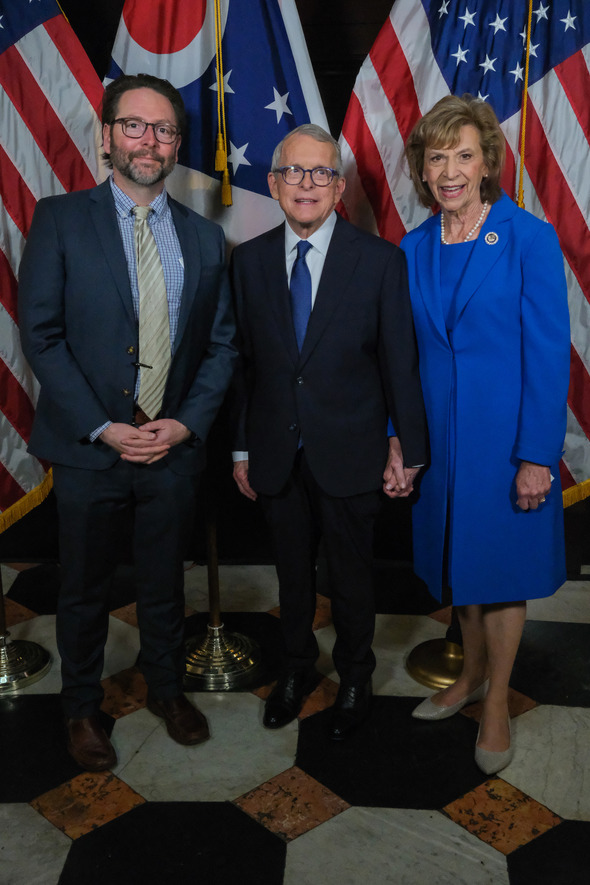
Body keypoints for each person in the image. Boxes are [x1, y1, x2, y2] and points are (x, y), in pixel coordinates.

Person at [18, 74, 237, 771]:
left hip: (170, 447)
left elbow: (223, 344)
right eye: (135, 126)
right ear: (106, 136)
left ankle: (166, 689)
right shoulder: (59, 219)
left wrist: (185, 424)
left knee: (164, 578)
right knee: (83, 585)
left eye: (164, 129)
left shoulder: (205, 239)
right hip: (91, 449)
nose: (150, 141)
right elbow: (42, 335)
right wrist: (104, 427)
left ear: (177, 143)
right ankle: (81, 705)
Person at [230, 123, 428, 740]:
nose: (306, 184)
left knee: (350, 576)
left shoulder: (379, 261)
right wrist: (240, 446)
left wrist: (410, 448)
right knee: (291, 575)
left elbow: (400, 362)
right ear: (274, 182)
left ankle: (355, 675)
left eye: (320, 173)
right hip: (274, 451)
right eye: (294, 172)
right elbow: (243, 365)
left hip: (352, 449)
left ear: (338, 186)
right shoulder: (250, 260)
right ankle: (296, 668)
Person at [403, 95, 570, 773]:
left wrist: (536, 456)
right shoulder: (413, 247)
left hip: (506, 446)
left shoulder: (527, 237)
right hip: (441, 448)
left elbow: (550, 352)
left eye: (462, 155)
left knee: (501, 578)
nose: (449, 171)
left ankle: (496, 699)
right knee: (458, 569)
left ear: (486, 161)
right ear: (422, 167)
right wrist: (399, 440)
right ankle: (468, 677)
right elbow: (401, 355)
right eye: (436, 156)